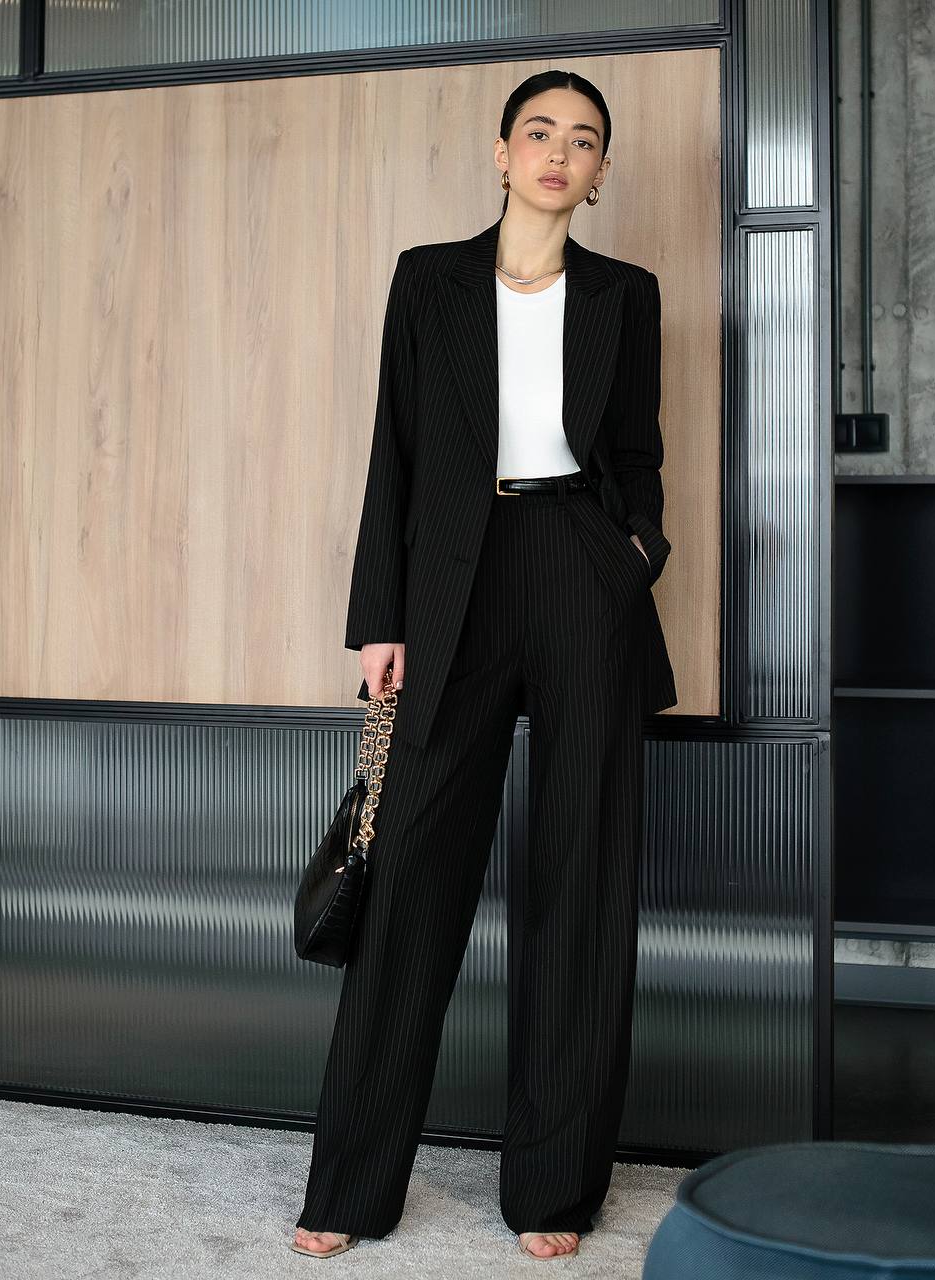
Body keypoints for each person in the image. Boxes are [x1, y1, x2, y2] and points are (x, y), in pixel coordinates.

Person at [291, 67, 677, 1262]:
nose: (561, 151)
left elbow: (637, 452)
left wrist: (634, 551)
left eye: (585, 139)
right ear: (502, 153)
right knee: (409, 869)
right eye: (540, 132)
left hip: (580, 569)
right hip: (450, 581)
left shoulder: (625, 294)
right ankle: (351, 1186)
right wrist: (379, 616)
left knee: (581, 876)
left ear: (599, 172)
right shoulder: (429, 279)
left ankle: (552, 1186)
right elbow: (394, 451)